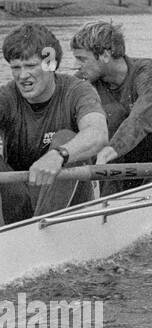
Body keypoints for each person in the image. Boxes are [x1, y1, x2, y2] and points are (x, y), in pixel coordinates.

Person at [0, 23, 109, 224]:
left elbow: (98, 133)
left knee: (66, 138)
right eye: (16, 68)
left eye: (31, 66)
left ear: (50, 64)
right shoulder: (6, 97)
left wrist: (60, 155)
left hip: (72, 203)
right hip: (21, 201)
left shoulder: (77, 91)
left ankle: (36, 233)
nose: (22, 76)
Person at [70, 21, 152, 193]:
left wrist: (111, 150)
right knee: (110, 113)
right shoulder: (83, 81)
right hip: (120, 165)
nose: (76, 66)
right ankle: (108, 196)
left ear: (105, 55)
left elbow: (142, 117)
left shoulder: (149, 72)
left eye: (82, 59)